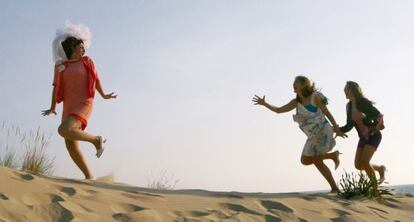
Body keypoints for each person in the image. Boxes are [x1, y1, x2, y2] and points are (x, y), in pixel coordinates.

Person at [42, 22, 117, 179]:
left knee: (63, 130)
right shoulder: (60, 65)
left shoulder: (87, 61)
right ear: (71, 47)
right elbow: (55, 87)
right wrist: (52, 107)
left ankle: (97, 140)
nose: (83, 49)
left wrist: (103, 95)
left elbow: (95, 79)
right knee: (70, 144)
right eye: (80, 46)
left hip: (84, 102)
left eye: (84, 47)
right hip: (68, 106)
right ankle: (89, 177)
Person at [252, 76, 346, 193]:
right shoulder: (296, 102)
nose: (294, 85)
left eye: (297, 83)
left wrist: (337, 129)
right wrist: (265, 104)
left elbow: (327, 113)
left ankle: (335, 188)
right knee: (305, 160)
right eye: (293, 83)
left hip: (323, 130)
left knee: (317, 161)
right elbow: (278, 110)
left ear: (304, 85)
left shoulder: (314, 97)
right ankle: (332, 156)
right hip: (312, 135)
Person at [340, 81, 386, 195]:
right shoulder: (349, 106)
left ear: (352, 91)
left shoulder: (363, 103)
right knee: (358, 165)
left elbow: (378, 114)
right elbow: (349, 125)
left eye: (346, 90)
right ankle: (380, 169)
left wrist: (373, 123)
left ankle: (376, 192)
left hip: (373, 135)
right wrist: (336, 129)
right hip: (363, 138)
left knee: (365, 162)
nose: (344, 92)